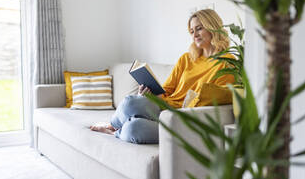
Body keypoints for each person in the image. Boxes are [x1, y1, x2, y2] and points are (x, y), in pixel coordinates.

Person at [90, 9, 235, 144]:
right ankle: (112, 124)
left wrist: (171, 104)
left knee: (134, 128)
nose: (194, 35)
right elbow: (167, 89)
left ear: (213, 27)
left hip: (183, 118)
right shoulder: (187, 58)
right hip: (163, 107)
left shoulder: (227, 62)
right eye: (191, 31)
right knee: (130, 102)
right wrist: (150, 94)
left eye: (199, 28)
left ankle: (114, 133)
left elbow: (217, 98)